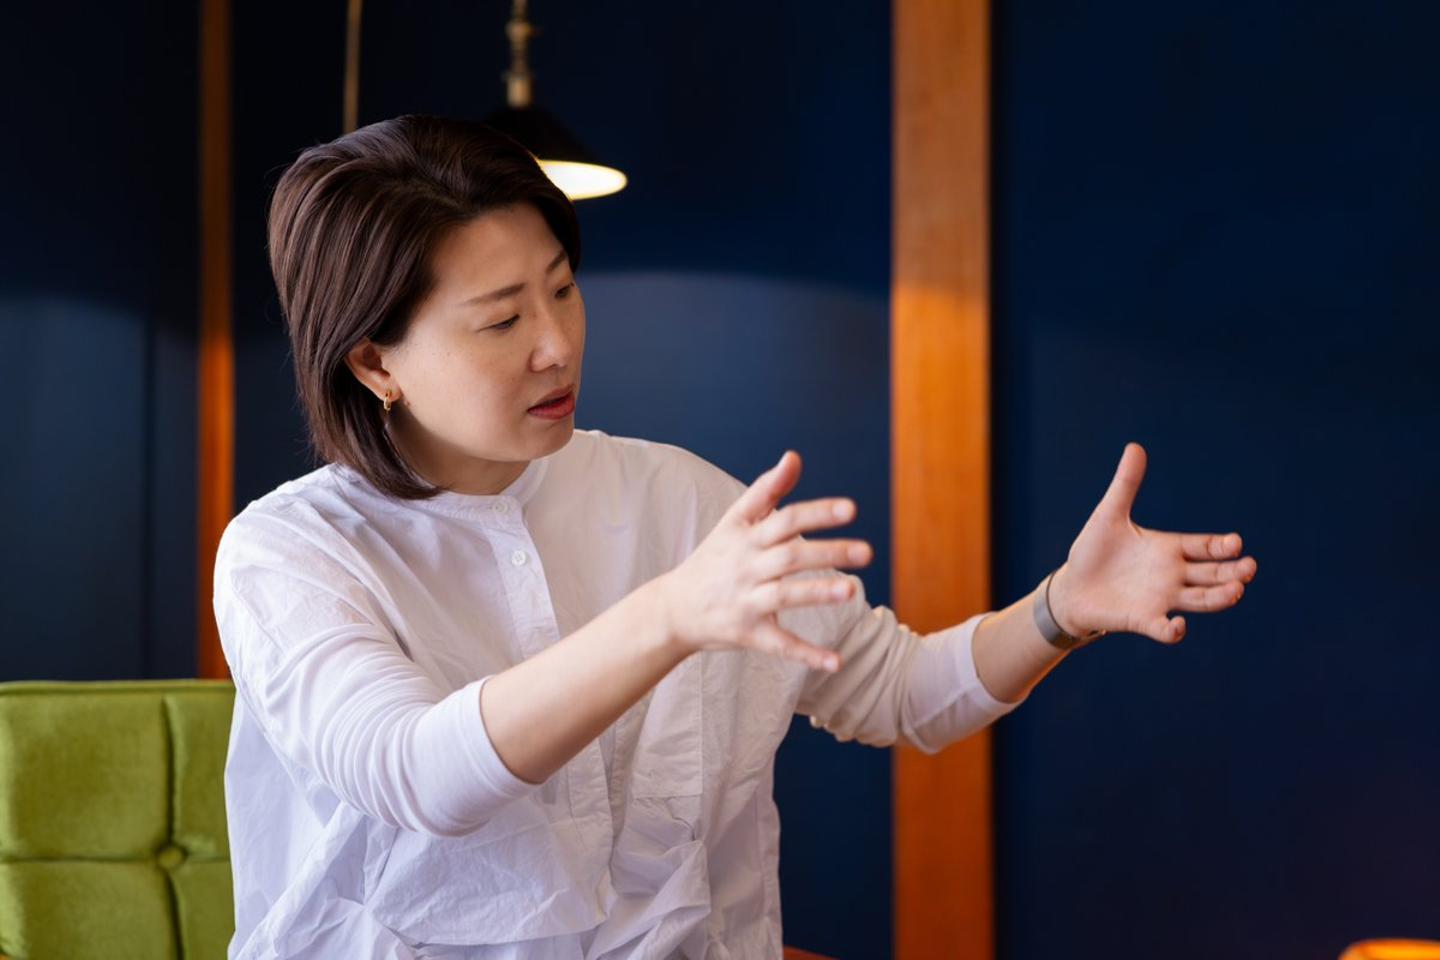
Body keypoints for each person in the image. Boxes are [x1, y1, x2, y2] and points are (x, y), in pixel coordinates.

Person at [215, 115, 1257, 960]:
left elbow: (900, 691)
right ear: (374, 363)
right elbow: (416, 776)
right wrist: (669, 617)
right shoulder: (289, 556)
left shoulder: (674, 496)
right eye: (501, 321)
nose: (556, 344)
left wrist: (1058, 610)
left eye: (563, 290)